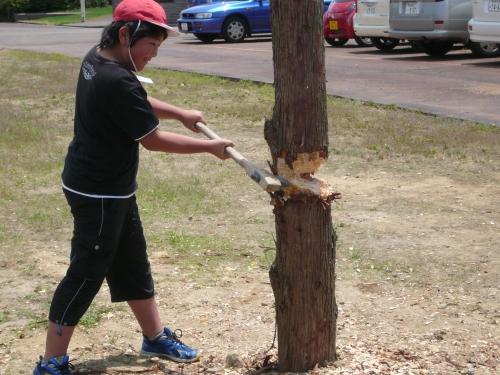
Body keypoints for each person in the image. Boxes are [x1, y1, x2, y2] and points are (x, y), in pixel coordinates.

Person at [33, 0, 234, 374]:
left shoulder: (99, 59)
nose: (154, 55)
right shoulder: (116, 78)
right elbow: (153, 139)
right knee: (86, 272)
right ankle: (50, 362)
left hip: (109, 186)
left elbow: (136, 100)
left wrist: (181, 113)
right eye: (152, 46)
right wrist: (209, 148)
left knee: (131, 262)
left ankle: (154, 336)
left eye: (158, 48)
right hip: (100, 192)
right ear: (126, 35)